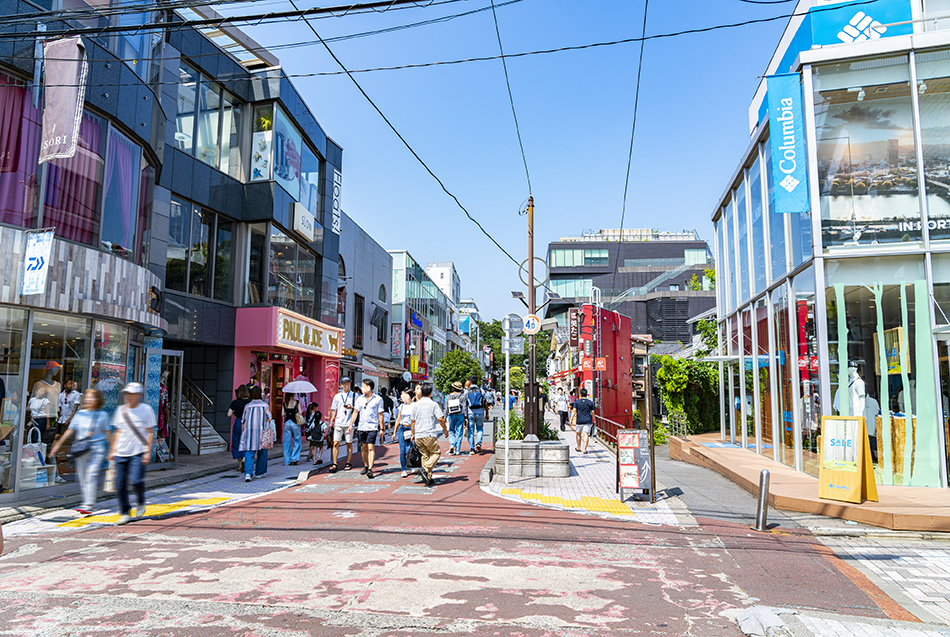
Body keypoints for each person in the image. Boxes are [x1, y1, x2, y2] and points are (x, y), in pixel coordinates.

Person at [49, 388, 110, 515]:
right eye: (86, 397)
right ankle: (88, 501)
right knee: (82, 477)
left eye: (91, 397)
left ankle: (88, 504)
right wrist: (57, 445)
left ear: (97, 400)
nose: (87, 399)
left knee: (91, 475)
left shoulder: (102, 415)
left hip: (96, 449)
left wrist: (112, 450)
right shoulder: (79, 414)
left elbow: (108, 434)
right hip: (81, 448)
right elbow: (70, 430)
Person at [109, 382, 156, 525]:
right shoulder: (121, 410)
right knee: (120, 484)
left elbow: (150, 432)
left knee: (136, 481)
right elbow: (118, 432)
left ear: (138, 395)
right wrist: (112, 450)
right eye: (126, 393)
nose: (127, 396)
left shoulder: (146, 409)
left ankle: (141, 502)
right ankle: (125, 512)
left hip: (138, 452)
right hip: (121, 452)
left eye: (131, 394)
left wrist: (148, 451)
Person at [411, 384, 448, 486]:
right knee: (436, 453)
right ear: (431, 393)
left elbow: (413, 421)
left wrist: (412, 433)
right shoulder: (433, 404)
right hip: (429, 434)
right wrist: (445, 430)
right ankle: (425, 468)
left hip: (418, 434)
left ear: (422, 392)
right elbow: (440, 418)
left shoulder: (416, 405)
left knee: (425, 455)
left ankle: (428, 477)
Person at [352, 379, 384, 479]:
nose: (361, 388)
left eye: (363, 386)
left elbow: (380, 414)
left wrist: (382, 428)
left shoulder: (378, 399)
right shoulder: (359, 399)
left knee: (371, 447)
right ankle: (365, 466)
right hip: (362, 426)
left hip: (372, 427)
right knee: (364, 447)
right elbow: (355, 412)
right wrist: (351, 425)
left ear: (369, 387)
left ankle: (370, 468)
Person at [240, 385, 273, 482]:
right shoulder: (265, 405)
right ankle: (260, 472)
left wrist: (243, 433)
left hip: (249, 432)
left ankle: (248, 473)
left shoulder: (247, 406)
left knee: (249, 452)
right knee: (262, 452)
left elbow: (243, 420)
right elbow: (269, 417)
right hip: (262, 432)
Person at [328, 378, 358, 473]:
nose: (346, 386)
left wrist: (351, 407)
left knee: (349, 443)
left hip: (349, 423)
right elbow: (333, 409)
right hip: (338, 423)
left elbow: (357, 409)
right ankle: (334, 463)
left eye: (348, 383)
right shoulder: (337, 396)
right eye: (344, 384)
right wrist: (330, 421)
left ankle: (348, 462)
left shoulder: (354, 395)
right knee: (336, 443)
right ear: (341, 385)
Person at [228, 385, 251, 473]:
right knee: (247, 441)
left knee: (237, 442)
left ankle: (240, 465)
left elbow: (229, 414)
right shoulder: (250, 402)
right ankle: (246, 459)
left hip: (238, 422)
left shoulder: (235, 402)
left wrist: (235, 412)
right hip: (248, 423)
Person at [395, 390, 416, 478]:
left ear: (408, 395)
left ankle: (412, 465)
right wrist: (394, 432)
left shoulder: (415, 405)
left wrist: (413, 432)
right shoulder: (402, 406)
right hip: (402, 428)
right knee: (402, 450)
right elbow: (398, 418)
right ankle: (403, 469)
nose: (401, 395)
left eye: (402, 394)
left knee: (409, 449)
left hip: (411, 428)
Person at [465, 375, 486, 455]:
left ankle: (472, 449)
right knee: (480, 429)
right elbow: (485, 401)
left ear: (470, 381)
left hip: (470, 412)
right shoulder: (481, 390)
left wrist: (465, 415)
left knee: (471, 430)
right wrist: (486, 413)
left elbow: (464, 402)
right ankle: (478, 443)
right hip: (480, 412)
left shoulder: (467, 391)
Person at [572, 388, 596, 454]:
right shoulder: (590, 402)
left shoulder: (577, 402)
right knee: (586, 434)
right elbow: (593, 412)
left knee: (578, 434)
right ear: (586, 394)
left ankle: (578, 447)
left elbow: (574, 411)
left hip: (579, 420)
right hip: (587, 420)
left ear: (580, 394)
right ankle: (584, 450)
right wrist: (594, 420)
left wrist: (571, 419)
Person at [444, 381, 466, 455]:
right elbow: (464, 407)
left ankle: (452, 445)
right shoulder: (462, 396)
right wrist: (466, 416)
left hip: (451, 415)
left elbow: (446, 407)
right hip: (460, 415)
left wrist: (445, 416)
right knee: (459, 432)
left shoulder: (448, 396)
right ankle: (457, 449)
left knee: (451, 430)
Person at [283, 393, 302, 466]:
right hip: (295, 423)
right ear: (293, 395)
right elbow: (300, 412)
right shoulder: (297, 402)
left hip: (287, 422)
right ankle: (294, 458)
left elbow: (282, 414)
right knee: (297, 440)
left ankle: (287, 461)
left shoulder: (284, 403)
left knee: (286, 442)